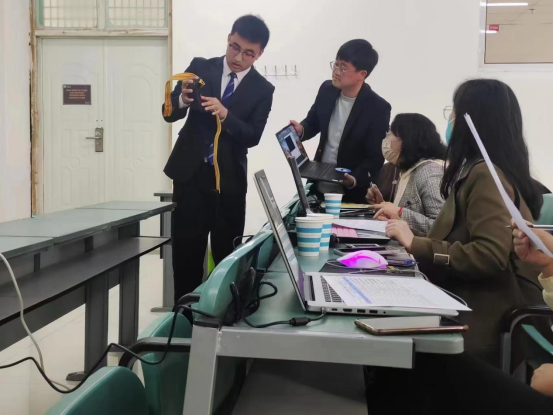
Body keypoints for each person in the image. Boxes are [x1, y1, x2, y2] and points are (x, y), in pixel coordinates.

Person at [385, 79, 544, 366]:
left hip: (481, 317)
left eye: (454, 114)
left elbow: (489, 255)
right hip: (464, 301)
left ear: (474, 122)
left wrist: (416, 244)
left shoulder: (486, 176)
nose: (450, 122)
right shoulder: (479, 170)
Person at [162, 15, 275, 305]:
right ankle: (183, 320)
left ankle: (221, 320)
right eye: (234, 47)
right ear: (228, 38)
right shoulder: (201, 67)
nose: (238, 58)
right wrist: (182, 100)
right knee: (186, 258)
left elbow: (252, 136)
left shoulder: (263, 90)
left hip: (229, 183)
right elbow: (168, 112)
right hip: (190, 178)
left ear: (259, 54)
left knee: (227, 259)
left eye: (248, 53)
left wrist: (226, 114)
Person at [290, 39, 391, 203]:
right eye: (335, 64)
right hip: (319, 184)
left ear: (362, 74)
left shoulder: (377, 108)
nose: (336, 72)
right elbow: (313, 121)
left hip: (351, 194)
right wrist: (302, 130)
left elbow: (375, 158)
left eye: (343, 68)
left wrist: (353, 180)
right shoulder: (327, 89)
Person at [367, 113, 447, 234]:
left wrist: (399, 212)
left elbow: (441, 227)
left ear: (408, 139)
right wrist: (383, 206)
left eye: (391, 133)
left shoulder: (429, 171)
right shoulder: (409, 170)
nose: (386, 139)